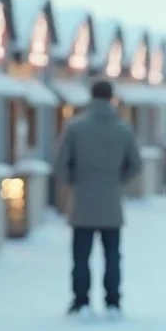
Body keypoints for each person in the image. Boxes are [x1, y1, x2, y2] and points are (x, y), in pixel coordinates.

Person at [53, 79, 142, 318]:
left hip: (82, 201)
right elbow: (135, 164)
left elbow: (61, 164)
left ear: (90, 97)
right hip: (111, 201)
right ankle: (112, 301)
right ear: (111, 98)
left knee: (81, 255)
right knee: (112, 255)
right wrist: (117, 180)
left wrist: (76, 181)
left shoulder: (75, 127)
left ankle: (80, 301)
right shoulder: (122, 129)